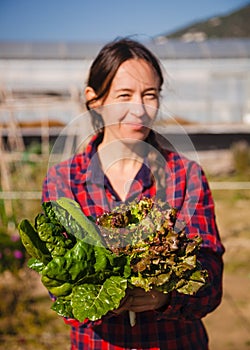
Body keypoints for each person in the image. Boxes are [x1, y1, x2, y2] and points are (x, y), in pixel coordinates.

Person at [42, 38, 225, 350]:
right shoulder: (63, 180)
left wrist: (166, 296)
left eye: (149, 95)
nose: (139, 110)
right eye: (124, 95)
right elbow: (58, 280)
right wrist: (99, 299)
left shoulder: (186, 176)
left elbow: (210, 280)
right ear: (95, 100)